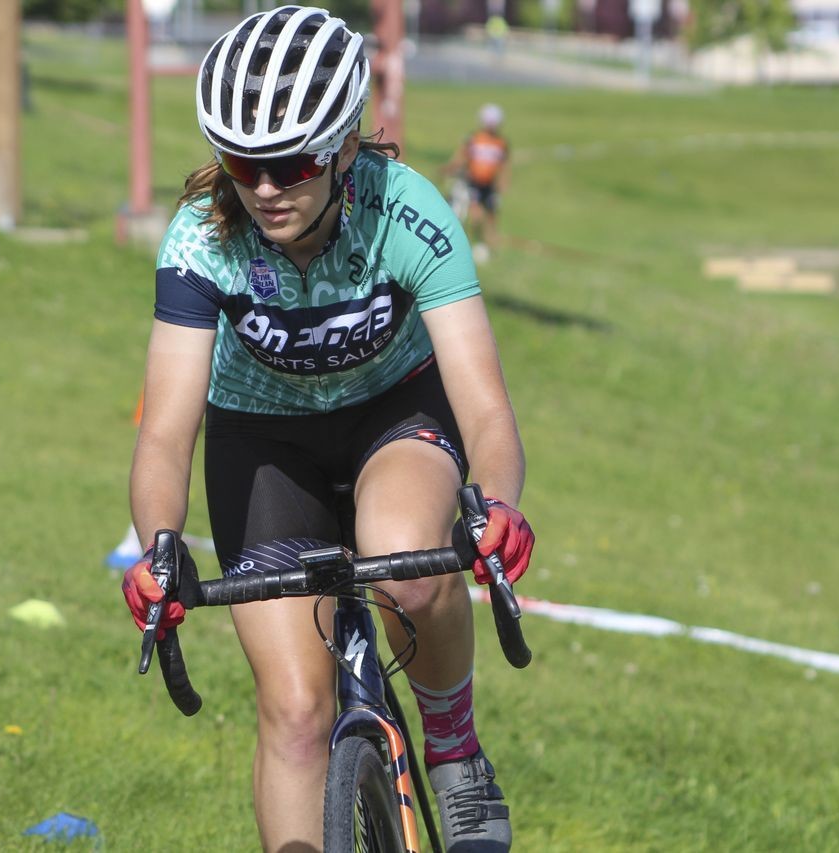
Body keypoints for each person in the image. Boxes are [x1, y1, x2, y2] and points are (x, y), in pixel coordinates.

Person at [119, 8, 533, 852]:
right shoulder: (201, 240)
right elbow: (165, 429)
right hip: (262, 440)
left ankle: (453, 748)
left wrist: (497, 505)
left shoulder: (410, 213)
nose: (265, 188)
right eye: (243, 162)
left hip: (394, 414)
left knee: (409, 566)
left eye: (292, 162)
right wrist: (158, 546)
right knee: (296, 710)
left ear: (345, 146)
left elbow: (486, 404)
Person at [444, 104, 510, 265]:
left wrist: (503, 182)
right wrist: (450, 169)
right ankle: (475, 243)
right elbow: (461, 158)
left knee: (492, 215)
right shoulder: (474, 139)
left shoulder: (501, 143)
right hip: (473, 182)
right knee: (475, 214)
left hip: (489, 185)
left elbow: (504, 164)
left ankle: (490, 244)